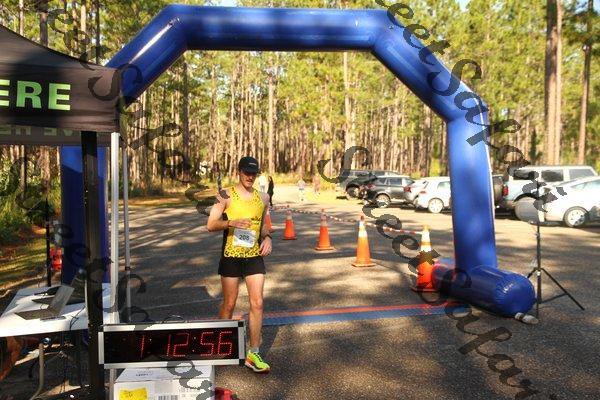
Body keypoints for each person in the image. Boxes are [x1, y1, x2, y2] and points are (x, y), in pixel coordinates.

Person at [207, 156, 272, 373]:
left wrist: (268, 238)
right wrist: (231, 222)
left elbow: (262, 227)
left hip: (253, 256)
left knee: (258, 303)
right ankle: (220, 344)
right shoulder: (224, 195)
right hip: (231, 256)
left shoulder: (263, 197)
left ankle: (254, 352)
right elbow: (210, 224)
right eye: (247, 173)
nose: (250, 177)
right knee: (229, 303)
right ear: (239, 172)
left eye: (254, 173)